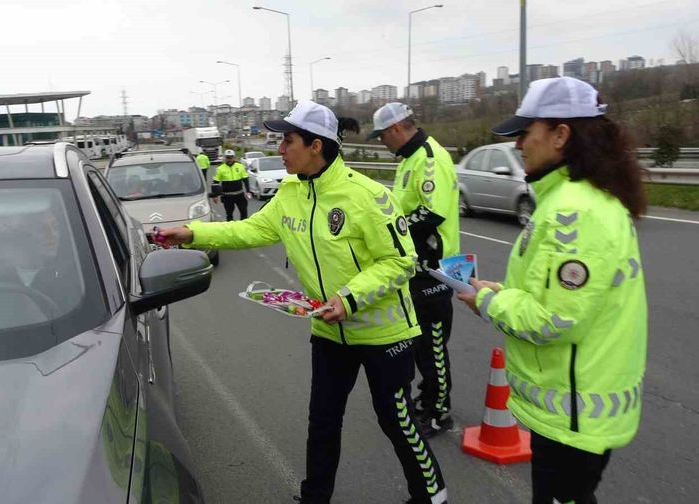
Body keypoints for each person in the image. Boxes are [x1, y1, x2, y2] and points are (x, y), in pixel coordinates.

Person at [158, 101, 448, 504]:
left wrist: (349, 299)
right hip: (328, 330)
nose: (280, 149)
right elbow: (248, 230)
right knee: (323, 422)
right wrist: (191, 233)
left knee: (397, 422)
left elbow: (400, 261)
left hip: (385, 333)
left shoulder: (368, 196)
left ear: (316, 145)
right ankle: (315, 497)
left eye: (287, 141)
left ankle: (431, 497)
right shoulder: (290, 193)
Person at [456, 77, 647, 504]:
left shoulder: (576, 213)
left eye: (526, 132)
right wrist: (499, 290)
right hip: (572, 411)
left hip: (574, 417)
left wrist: (487, 300)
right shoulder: (575, 200)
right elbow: (551, 295)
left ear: (561, 135)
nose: (519, 143)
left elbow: (555, 318)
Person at [369, 102, 460, 437]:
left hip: (437, 268)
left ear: (395, 129)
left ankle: (438, 412)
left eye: (382, 136)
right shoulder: (410, 158)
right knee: (419, 342)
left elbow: (430, 214)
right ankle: (427, 399)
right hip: (417, 267)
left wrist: (392, 231)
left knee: (433, 344)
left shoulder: (429, 156)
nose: (382, 143)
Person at [213, 149, 251, 221]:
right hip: (227, 196)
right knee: (229, 215)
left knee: (244, 213)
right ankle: (231, 230)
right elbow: (215, 182)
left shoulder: (240, 166)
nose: (229, 159)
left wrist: (248, 191)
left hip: (239, 194)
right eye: (227, 157)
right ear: (224, 158)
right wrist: (215, 196)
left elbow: (245, 179)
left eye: (231, 157)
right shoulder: (220, 168)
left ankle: (243, 229)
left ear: (234, 157)